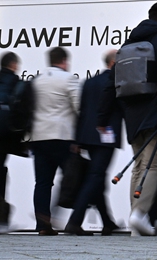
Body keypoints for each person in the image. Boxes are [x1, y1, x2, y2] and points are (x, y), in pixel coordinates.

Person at [103, 1, 157, 236]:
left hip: (132, 113)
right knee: (156, 164)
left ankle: (135, 218)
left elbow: (113, 81)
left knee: (140, 165)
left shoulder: (129, 43)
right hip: (156, 109)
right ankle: (139, 215)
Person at [65, 49, 120, 236]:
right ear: (113, 63)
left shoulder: (89, 82)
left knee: (97, 177)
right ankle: (75, 220)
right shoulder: (116, 82)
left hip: (88, 136)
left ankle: (107, 222)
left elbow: (82, 112)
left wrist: (77, 140)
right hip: (106, 135)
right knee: (95, 176)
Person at [29, 46, 80, 235]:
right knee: (72, 178)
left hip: (39, 137)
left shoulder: (37, 81)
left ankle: (43, 224)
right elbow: (79, 107)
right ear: (65, 61)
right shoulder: (69, 79)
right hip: (62, 137)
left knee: (42, 182)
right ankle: (68, 218)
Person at [0, 52, 30, 233]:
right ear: (14, 65)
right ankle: (2, 218)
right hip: (6, 137)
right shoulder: (18, 84)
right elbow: (23, 112)